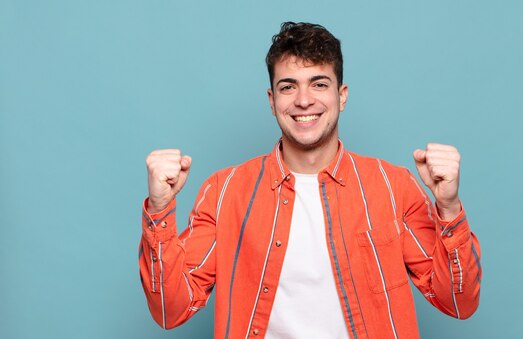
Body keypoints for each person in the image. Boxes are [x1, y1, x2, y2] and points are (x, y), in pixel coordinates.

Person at [139, 22, 481, 338]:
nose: (304, 100)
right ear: (272, 102)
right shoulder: (224, 192)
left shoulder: (393, 186)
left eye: (319, 83)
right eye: (289, 87)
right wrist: (159, 209)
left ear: (341, 96)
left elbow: (457, 301)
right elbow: (172, 310)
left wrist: (448, 208)